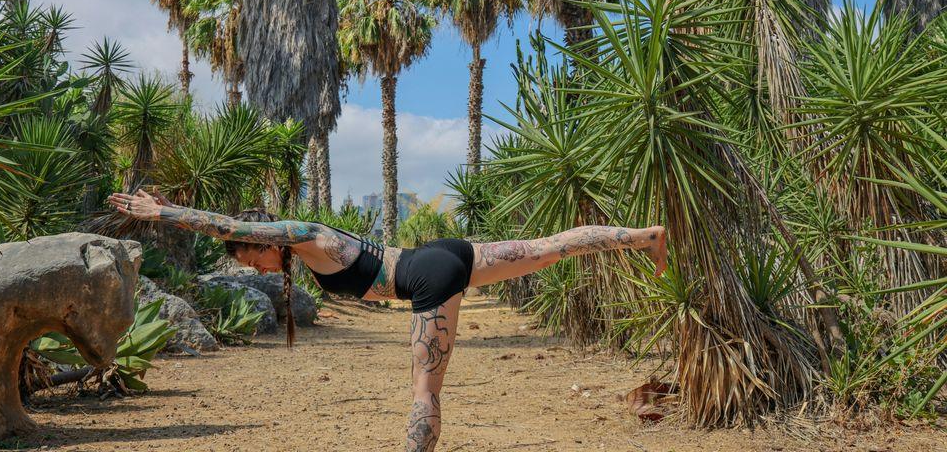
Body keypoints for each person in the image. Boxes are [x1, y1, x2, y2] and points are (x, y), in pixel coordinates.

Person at [108, 190, 667, 452]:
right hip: (441, 255)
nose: (253, 265)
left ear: (264, 239)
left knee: (424, 390)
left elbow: (228, 224)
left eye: (250, 256)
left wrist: (164, 213)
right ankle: (645, 237)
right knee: (547, 248)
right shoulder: (310, 248)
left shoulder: (306, 234)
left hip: (426, 278)